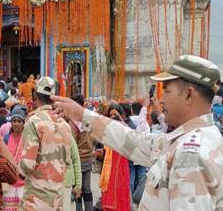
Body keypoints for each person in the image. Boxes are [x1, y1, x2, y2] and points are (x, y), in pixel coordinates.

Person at [52, 55, 223, 211]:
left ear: (188, 95)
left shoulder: (190, 154)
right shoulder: (196, 138)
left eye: (167, 91)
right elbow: (134, 142)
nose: (162, 99)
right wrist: (82, 115)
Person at [19, 76, 72, 210]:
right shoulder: (65, 125)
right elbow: (66, 162)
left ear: (35, 96)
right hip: (56, 200)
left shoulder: (34, 122)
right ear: (54, 98)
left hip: (35, 201)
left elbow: (27, 165)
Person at [99, 104, 131, 211]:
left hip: (120, 168)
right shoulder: (106, 130)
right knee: (107, 196)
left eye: (115, 115)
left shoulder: (125, 128)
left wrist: (120, 123)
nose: (113, 117)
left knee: (119, 195)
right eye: (110, 115)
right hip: (108, 169)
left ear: (121, 115)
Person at [70, 94, 94, 211]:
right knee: (87, 188)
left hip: (78, 159)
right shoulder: (88, 119)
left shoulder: (73, 122)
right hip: (89, 157)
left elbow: (72, 143)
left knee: (77, 188)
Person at [2, 106, 27, 211]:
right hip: (9, 184)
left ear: (23, 123)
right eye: (14, 121)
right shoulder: (6, 138)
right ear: (11, 122)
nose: (16, 123)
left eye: (19, 121)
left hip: (24, 184)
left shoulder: (28, 139)